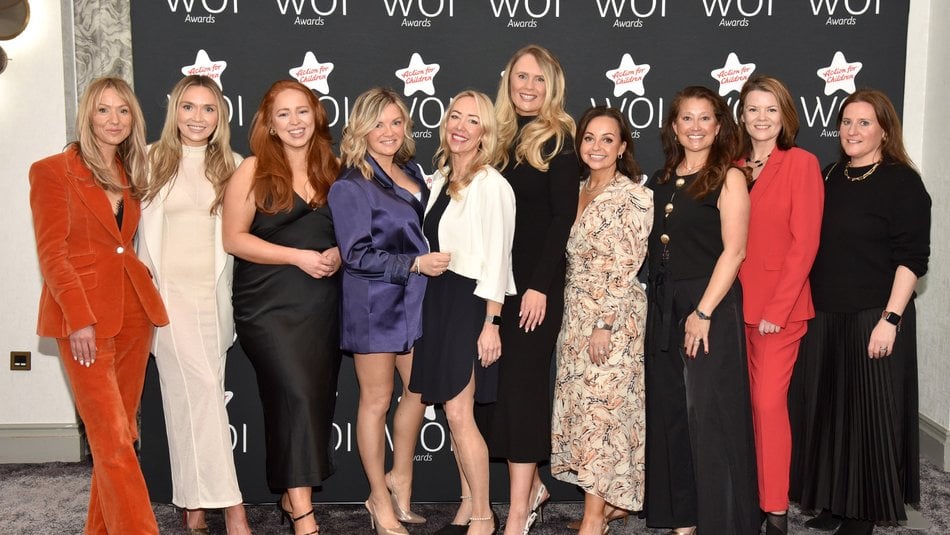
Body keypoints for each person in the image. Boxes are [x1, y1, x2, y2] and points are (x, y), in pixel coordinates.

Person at [29, 76, 169, 534]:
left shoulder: (130, 173)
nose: (114, 120)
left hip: (133, 314)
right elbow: (53, 255)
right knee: (110, 441)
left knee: (122, 435)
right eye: (104, 110)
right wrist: (80, 320)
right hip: (82, 320)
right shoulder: (52, 170)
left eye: (123, 111)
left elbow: (120, 246)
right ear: (88, 115)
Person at [790, 89, 931, 535]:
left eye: (864, 123)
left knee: (869, 417)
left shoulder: (902, 181)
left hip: (875, 315)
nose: (852, 130)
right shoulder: (829, 175)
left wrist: (890, 319)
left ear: (884, 130)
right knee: (829, 415)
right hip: (825, 315)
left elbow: (912, 258)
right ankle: (834, 502)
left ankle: (864, 514)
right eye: (847, 122)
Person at [222, 80, 342, 535]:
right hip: (268, 306)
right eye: (284, 114)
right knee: (293, 395)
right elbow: (234, 238)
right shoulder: (253, 169)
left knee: (309, 402)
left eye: (302, 111)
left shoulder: (334, 168)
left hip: (322, 306)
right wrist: (297, 256)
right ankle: (305, 518)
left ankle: (291, 500)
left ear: (316, 115)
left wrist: (338, 255)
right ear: (269, 124)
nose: (295, 122)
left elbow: (354, 235)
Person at [328, 87, 450, 535]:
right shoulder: (350, 185)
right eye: (378, 123)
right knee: (376, 402)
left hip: (417, 302)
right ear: (360, 128)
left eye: (396, 122)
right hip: (374, 305)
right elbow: (356, 255)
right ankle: (378, 498)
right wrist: (415, 263)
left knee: (418, 391)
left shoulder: (414, 170)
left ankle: (402, 478)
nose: (388, 132)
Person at [137, 75, 251, 534]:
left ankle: (193, 507)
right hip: (167, 302)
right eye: (188, 107)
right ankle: (234, 509)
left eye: (207, 108)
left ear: (219, 116)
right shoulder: (147, 160)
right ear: (174, 111)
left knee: (189, 405)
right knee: (202, 398)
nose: (197, 117)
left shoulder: (235, 165)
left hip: (213, 300)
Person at [643, 85, 759, 535]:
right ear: (673, 126)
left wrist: (704, 312)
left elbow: (735, 252)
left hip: (708, 304)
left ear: (719, 125)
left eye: (704, 118)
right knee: (670, 411)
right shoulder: (660, 179)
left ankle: (723, 522)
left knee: (709, 415)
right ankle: (683, 520)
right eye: (686, 118)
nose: (695, 127)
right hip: (664, 305)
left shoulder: (728, 177)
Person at [477, 43, 579, 535]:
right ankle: (532, 486)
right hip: (492, 283)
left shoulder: (558, 138)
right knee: (496, 392)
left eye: (539, 79)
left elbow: (563, 219)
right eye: (521, 77)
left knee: (523, 389)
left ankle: (517, 512)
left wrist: (539, 285)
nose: (529, 87)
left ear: (552, 86)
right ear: (508, 81)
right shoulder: (493, 136)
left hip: (534, 287)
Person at [408, 90, 516, 535]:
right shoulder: (436, 180)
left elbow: (498, 257)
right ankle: (466, 503)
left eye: (473, 121)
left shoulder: (492, 185)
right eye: (455, 116)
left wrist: (492, 323)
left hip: (469, 302)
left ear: (485, 133)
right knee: (453, 412)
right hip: (437, 301)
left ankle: (484, 516)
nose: (460, 126)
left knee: (458, 412)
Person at [550, 106, 652, 535]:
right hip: (574, 313)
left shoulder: (633, 195)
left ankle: (594, 520)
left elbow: (625, 264)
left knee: (602, 414)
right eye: (589, 137)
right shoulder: (573, 190)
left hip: (612, 316)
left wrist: (604, 323)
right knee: (586, 414)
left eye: (608, 139)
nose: (597, 146)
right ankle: (609, 505)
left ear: (622, 147)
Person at [734, 75, 824, 535]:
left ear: (785, 116)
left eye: (771, 109)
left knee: (768, 405)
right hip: (733, 309)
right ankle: (749, 497)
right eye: (753, 109)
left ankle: (775, 509)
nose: (762, 118)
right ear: (742, 115)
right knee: (744, 408)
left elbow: (804, 244)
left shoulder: (801, 163)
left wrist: (778, 309)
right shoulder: (732, 165)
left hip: (778, 313)